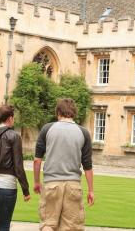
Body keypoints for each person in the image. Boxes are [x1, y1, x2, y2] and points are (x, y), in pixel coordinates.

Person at [33, 98, 94, 231]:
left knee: (48, 224)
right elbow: (88, 165)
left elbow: (37, 160)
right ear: (74, 112)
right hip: (73, 186)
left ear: (58, 112)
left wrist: (37, 182)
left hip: (51, 184)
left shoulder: (47, 129)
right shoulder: (83, 132)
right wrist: (90, 190)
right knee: (71, 227)